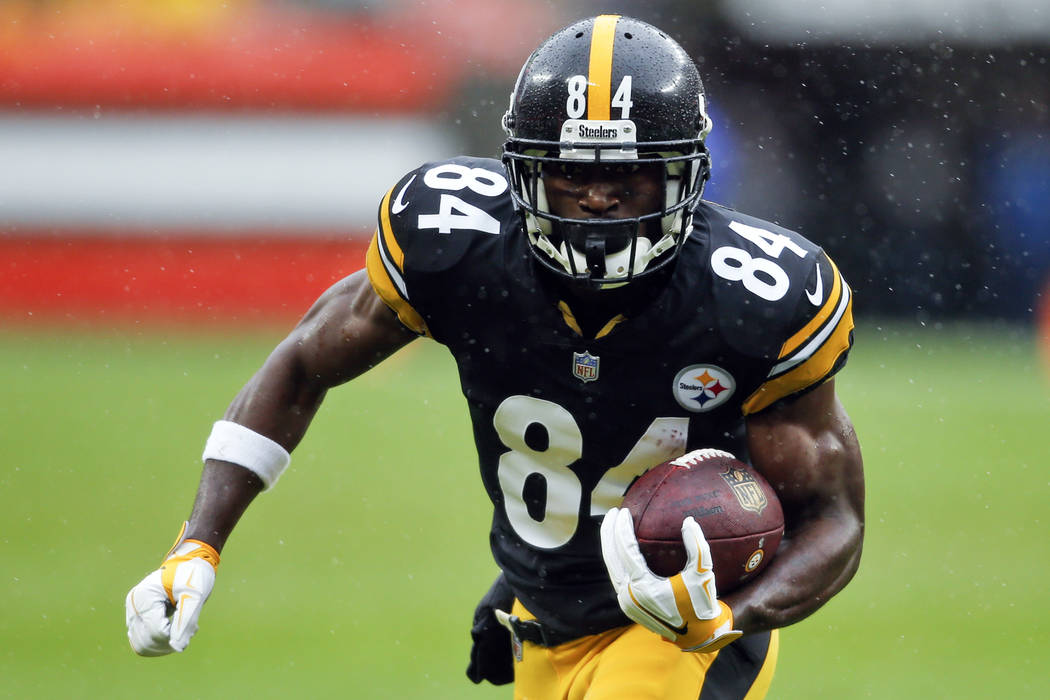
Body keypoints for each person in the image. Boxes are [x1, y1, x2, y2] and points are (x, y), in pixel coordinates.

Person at [126, 14, 864, 699]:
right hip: (540, 617)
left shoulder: (756, 296)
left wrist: (730, 617)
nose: (598, 201)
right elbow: (302, 364)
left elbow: (834, 518)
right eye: (571, 175)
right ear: (522, 173)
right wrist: (198, 546)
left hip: (683, 631)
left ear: (686, 177)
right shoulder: (458, 245)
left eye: (626, 176)